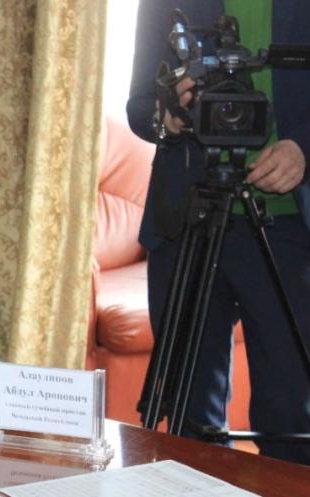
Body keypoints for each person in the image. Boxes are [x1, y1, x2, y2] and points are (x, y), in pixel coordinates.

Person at [128, 0, 310, 465]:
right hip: (188, 218)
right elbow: (140, 105)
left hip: (288, 225)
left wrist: (304, 151)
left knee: (292, 413)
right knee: (189, 416)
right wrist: (169, 116)